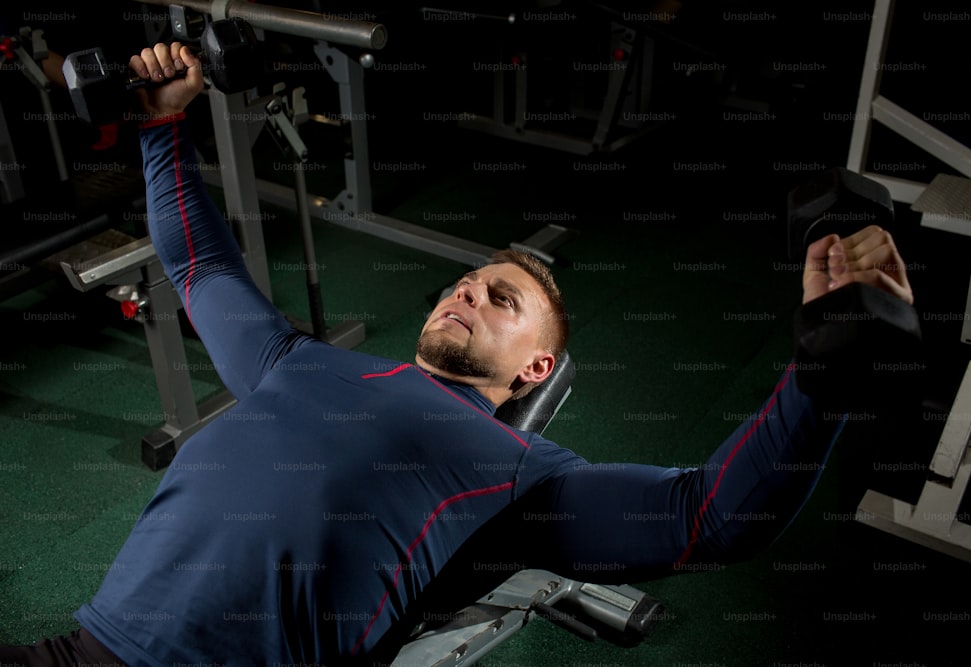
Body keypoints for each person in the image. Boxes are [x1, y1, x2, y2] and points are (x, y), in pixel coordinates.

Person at [0, 42, 914, 666]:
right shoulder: (297, 361)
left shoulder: (517, 470)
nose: (467, 290)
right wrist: (162, 125)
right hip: (79, 649)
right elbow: (198, 260)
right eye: (465, 282)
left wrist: (823, 369)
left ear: (535, 371)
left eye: (503, 297)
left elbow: (708, 516)